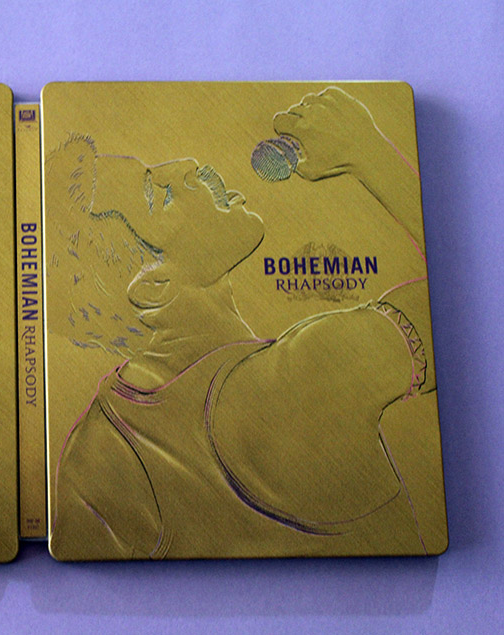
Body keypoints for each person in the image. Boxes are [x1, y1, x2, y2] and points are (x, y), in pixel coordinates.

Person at [49, 87, 441, 560]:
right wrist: (367, 151)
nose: (186, 165)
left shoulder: (88, 459)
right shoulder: (300, 381)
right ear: (154, 287)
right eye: (158, 194)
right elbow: (465, 315)